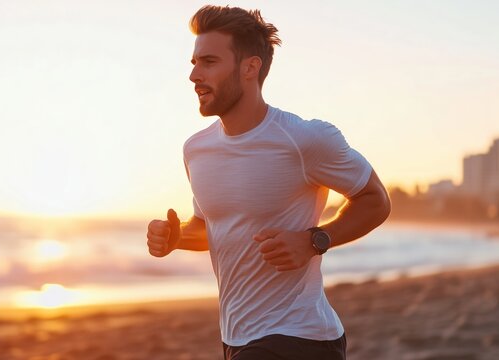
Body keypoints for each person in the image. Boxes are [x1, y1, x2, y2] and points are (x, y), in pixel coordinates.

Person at [146, 5, 391, 360]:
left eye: (209, 62)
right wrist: (176, 237)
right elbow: (212, 227)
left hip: (301, 337)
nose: (194, 75)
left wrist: (314, 240)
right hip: (236, 337)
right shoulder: (196, 150)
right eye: (194, 62)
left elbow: (376, 199)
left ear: (249, 68)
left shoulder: (305, 138)